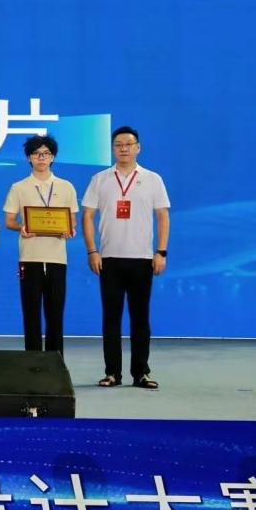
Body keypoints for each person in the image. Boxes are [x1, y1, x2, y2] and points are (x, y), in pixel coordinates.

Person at [82, 126, 170, 390]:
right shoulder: (100, 179)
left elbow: (163, 216)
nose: (123, 149)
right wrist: (92, 250)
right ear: (112, 149)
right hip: (108, 259)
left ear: (138, 148)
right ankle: (112, 373)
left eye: (128, 144)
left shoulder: (152, 179)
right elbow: (87, 216)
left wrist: (161, 252)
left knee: (140, 319)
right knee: (111, 319)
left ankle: (141, 373)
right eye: (118, 145)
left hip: (142, 259)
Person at [2, 135, 78, 355]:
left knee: (55, 314)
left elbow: (72, 221)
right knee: (31, 312)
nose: (41, 158)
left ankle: (55, 362)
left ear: (52, 157)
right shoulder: (19, 187)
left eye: (46, 153)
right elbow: (9, 221)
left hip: (57, 258)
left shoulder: (66, 187)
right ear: (29, 158)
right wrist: (22, 228)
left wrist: (69, 229)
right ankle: (32, 363)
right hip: (30, 258)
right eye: (36, 153)